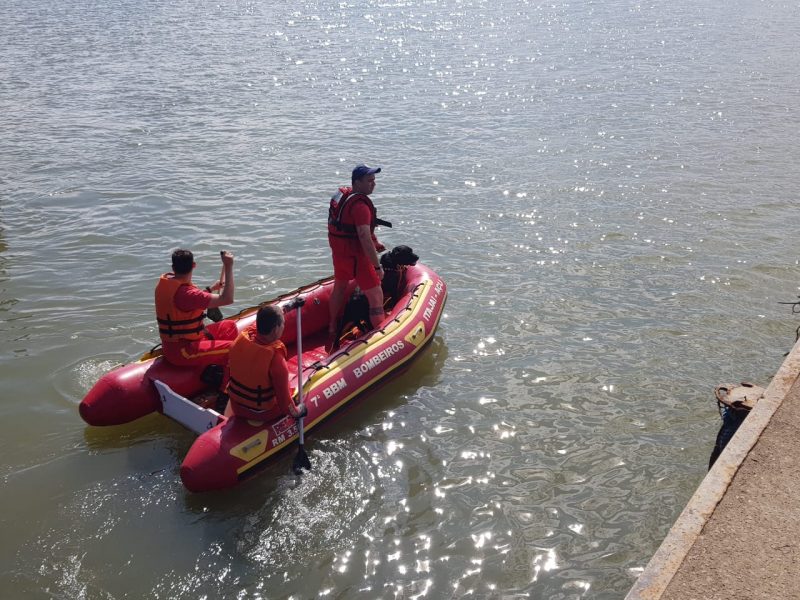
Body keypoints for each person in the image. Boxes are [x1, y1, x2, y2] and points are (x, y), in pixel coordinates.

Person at [326, 163, 390, 352]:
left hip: (340, 254)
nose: (373, 184)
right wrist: (377, 267)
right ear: (357, 183)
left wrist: (375, 241)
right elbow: (362, 235)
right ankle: (381, 335)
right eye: (369, 181)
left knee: (339, 287)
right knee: (376, 294)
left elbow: (346, 226)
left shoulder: (341, 196)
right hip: (356, 258)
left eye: (374, 181)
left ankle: (332, 327)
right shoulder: (361, 206)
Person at [155, 249, 238, 367]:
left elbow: (185, 302)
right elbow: (227, 299)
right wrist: (228, 266)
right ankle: (225, 383)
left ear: (173, 268)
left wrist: (210, 290)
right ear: (193, 265)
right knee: (236, 348)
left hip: (181, 343)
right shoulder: (188, 294)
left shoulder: (167, 284)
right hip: (183, 352)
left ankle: (220, 362)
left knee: (228, 326)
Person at [225, 305, 307, 421]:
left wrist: (287, 308)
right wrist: (299, 412)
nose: (284, 325)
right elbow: (285, 406)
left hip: (237, 407)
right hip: (262, 413)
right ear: (275, 330)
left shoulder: (243, 337)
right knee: (292, 394)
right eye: (282, 323)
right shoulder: (276, 360)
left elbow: (264, 320)